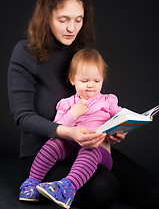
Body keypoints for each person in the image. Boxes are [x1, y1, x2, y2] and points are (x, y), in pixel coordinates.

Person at [8, 0, 159, 209]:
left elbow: (98, 101)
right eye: (63, 20)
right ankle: (40, 185)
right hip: (46, 153)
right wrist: (67, 132)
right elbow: (22, 116)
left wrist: (113, 129)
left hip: (87, 147)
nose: (72, 28)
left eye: (78, 20)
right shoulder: (24, 53)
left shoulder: (80, 52)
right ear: (46, 17)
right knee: (104, 189)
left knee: (152, 192)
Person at [19, 48, 122, 208]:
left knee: (90, 150)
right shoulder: (67, 104)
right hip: (71, 149)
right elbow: (57, 128)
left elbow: (121, 116)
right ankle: (32, 182)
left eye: (96, 81)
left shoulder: (108, 101)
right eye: (84, 81)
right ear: (73, 79)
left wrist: (120, 129)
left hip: (98, 152)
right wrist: (72, 114)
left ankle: (66, 188)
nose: (91, 86)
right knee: (54, 144)